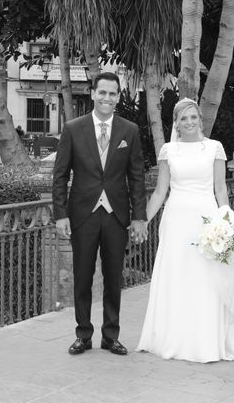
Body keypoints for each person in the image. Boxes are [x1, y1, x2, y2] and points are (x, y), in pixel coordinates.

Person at [136, 98, 234, 362]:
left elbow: (220, 189)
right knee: (177, 275)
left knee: (207, 278)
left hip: (206, 219)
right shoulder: (169, 150)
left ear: (200, 120)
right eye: (183, 118)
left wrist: (224, 218)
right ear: (177, 124)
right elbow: (160, 191)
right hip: (176, 219)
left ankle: (207, 340)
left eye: (193, 117)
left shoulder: (214, 148)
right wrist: (144, 220)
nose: (189, 122)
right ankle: (174, 337)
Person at [52, 71, 148, 356]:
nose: (107, 98)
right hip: (83, 214)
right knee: (82, 276)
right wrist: (60, 215)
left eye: (113, 93)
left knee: (113, 277)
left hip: (116, 215)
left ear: (118, 97)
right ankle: (83, 334)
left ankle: (111, 335)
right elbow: (60, 176)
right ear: (93, 93)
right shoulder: (73, 128)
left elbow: (137, 177)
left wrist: (138, 216)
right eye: (102, 92)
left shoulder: (129, 131)